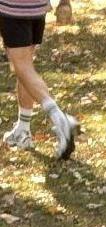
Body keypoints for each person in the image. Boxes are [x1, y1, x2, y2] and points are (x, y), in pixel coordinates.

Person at [1, 0, 77, 157]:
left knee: (22, 66)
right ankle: (23, 129)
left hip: (14, 9)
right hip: (37, 9)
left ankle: (60, 119)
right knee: (25, 66)